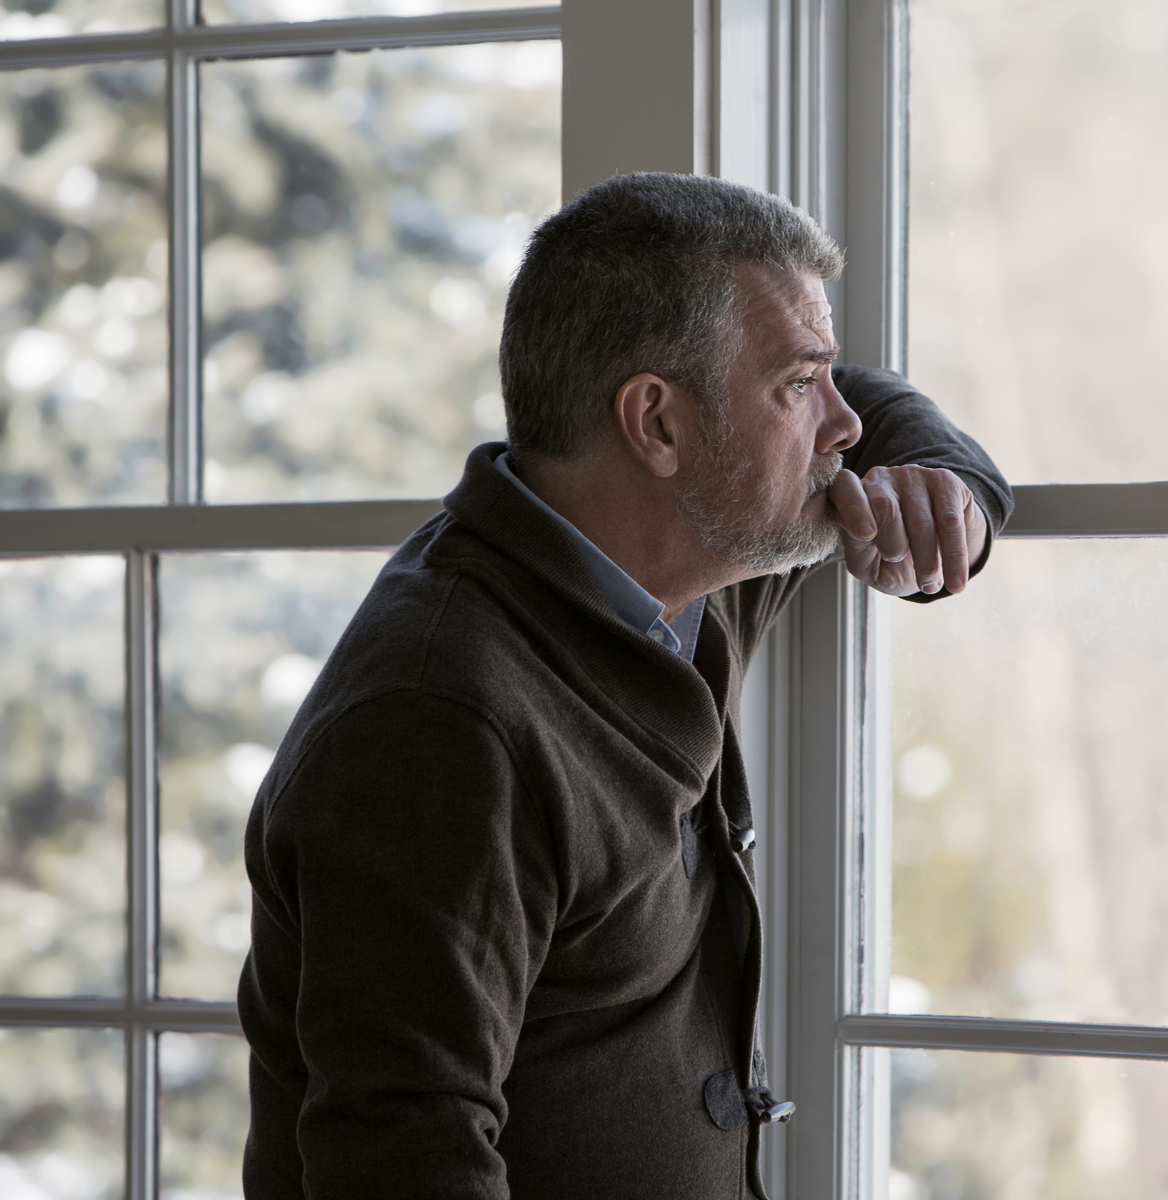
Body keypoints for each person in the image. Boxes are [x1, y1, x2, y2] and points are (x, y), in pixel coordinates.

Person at [235, 172, 1011, 1200]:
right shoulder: (439, 724)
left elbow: (868, 402)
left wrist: (946, 487)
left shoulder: (678, 554)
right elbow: (401, 1156)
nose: (842, 429)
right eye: (795, 387)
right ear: (657, 424)